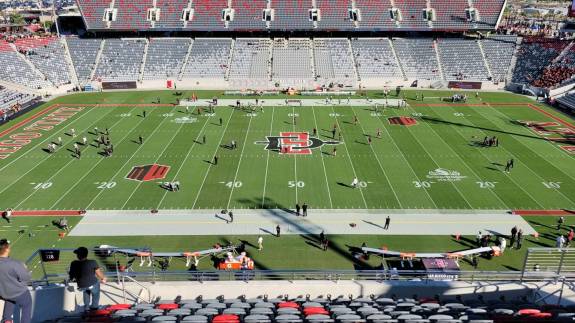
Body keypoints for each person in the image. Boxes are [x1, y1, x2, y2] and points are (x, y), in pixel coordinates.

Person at [0, 239, 32, 323]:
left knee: (9, 298)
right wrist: (25, 269)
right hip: (17, 293)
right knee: (27, 304)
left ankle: (7, 320)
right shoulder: (15, 263)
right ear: (7, 249)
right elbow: (26, 278)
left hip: (3, 292)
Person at [69, 247, 106, 312]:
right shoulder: (92, 262)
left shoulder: (73, 263)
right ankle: (94, 307)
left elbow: (71, 276)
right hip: (92, 284)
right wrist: (104, 278)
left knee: (86, 290)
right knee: (96, 285)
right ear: (86, 254)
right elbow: (98, 273)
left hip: (81, 286)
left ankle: (86, 308)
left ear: (78, 255)